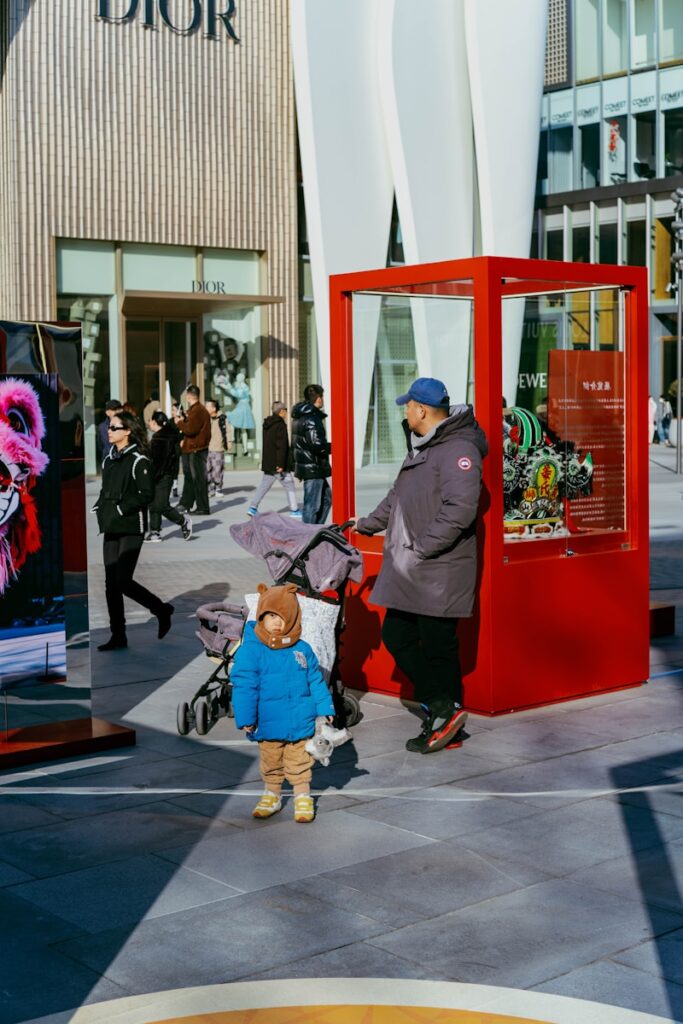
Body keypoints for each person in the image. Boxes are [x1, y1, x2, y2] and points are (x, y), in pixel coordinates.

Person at [354, 377, 488, 754]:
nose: (405, 411)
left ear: (423, 410)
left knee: (438, 647)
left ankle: (445, 721)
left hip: (439, 570)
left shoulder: (459, 449)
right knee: (398, 635)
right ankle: (446, 712)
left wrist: (422, 548)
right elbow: (397, 495)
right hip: (416, 569)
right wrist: (365, 524)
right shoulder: (424, 447)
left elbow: (460, 510)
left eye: (408, 406)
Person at [231, 582, 335, 823]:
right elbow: (245, 686)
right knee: (271, 762)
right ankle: (272, 794)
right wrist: (246, 718)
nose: (277, 622)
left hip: (301, 720)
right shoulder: (251, 651)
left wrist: (324, 708)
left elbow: (316, 681)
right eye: (270, 616)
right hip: (268, 723)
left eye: (282, 617)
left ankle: (302, 797)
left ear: (293, 618)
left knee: (300, 763)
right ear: (261, 617)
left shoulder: (302, 649)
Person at [93, 410, 174, 651]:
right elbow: (105, 488)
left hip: (131, 526)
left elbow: (146, 494)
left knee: (123, 581)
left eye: (115, 427)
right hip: (111, 526)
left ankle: (161, 609)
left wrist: (119, 509)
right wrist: (100, 506)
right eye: (109, 426)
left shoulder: (139, 460)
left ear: (127, 431)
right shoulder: (109, 459)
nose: (109, 430)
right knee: (110, 584)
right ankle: (118, 635)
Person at [248, 401, 301, 518]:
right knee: (289, 484)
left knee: (264, 485)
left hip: (269, 462)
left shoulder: (267, 423)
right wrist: (281, 464)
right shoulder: (280, 425)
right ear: (281, 411)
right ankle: (294, 509)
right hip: (278, 463)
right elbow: (281, 446)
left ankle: (253, 507)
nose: (287, 412)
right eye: (286, 410)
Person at [146, 411, 192, 542]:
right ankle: (155, 532)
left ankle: (183, 521)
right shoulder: (166, 436)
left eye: (150, 421)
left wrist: (152, 474)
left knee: (161, 505)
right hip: (161, 475)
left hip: (164, 476)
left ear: (155, 422)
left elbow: (160, 462)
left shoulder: (161, 439)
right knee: (153, 504)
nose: (148, 423)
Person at [291, 384, 331, 524]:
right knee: (312, 506)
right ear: (318, 398)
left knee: (327, 499)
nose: (323, 400)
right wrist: (334, 447)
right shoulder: (312, 418)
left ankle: (316, 531)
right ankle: (308, 536)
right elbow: (317, 445)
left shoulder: (299, 416)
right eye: (322, 396)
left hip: (310, 467)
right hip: (313, 467)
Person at [174, 384, 211, 515]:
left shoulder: (198, 410)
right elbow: (192, 427)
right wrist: (184, 419)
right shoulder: (196, 410)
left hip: (196, 448)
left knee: (198, 478)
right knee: (190, 477)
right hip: (193, 448)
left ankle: (202, 507)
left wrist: (179, 422)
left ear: (189, 396)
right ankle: (186, 503)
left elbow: (191, 429)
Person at [206, 398, 232, 497]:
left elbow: (228, 430)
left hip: (218, 448)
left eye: (208, 406)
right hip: (207, 448)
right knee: (208, 469)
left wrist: (229, 442)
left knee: (217, 469)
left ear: (214, 408)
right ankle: (210, 488)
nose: (206, 408)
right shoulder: (206, 418)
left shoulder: (222, 418)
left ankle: (218, 488)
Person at [97, 399, 123, 463]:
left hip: (123, 459)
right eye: (114, 409)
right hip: (109, 459)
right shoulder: (103, 427)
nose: (117, 412)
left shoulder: (125, 424)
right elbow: (102, 445)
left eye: (119, 409)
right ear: (107, 413)